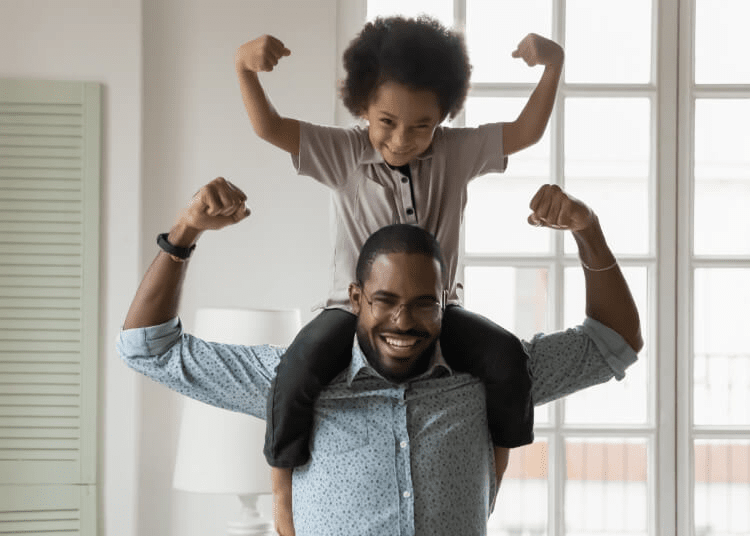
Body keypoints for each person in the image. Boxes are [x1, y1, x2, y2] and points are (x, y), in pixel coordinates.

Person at [117, 177, 643, 536]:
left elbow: (614, 341)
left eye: (422, 305)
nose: (403, 322)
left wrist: (587, 229)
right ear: (355, 299)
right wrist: (184, 234)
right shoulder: (292, 380)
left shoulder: (489, 376)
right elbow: (148, 348)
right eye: (385, 302)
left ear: (447, 302)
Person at [234, 14, 566, 492]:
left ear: (444, 117)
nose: (402, 139)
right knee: (296, 370)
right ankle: (282, 491)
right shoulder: (342, 153)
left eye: (422, 126)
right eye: (387, 122)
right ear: (363, 105)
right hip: (353, 313)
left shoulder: (455, 152)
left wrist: (553, 66)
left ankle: (491, 478)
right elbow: (269, 127)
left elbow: (524, 132)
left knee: (506, 359)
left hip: (438, 311)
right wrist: (244, 68)